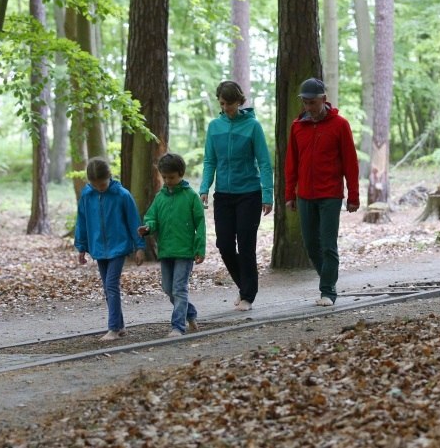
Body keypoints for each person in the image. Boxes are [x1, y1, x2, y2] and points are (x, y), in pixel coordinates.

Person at [284, 77, 360, 307]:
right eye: (305, 103)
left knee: (328, 244)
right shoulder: (297, 126)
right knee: (311, 244)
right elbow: (291, 162)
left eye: (312, 102)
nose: (309, 107)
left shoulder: (340, 125)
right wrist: (289, 193)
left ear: (323, 100)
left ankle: (327, 291)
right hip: (305, 194)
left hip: (330, 194)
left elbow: (350, 163)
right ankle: (328, 277)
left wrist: (353, 195)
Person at [199, 81, 274, 312]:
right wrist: (204, 188)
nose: (226, 108)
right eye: (222, 104)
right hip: (223, 195)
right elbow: (210, 160)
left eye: (230, 104)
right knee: (223, 243)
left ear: (239, 102)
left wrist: (267, 193)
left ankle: (248, 296)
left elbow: (264, 162)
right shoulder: (214, 127)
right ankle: (245, 287)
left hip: (249, 194)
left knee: (246, 244)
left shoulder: (253, 127)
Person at [75, 157, 146, 341]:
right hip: (98, 248)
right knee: (108, 288)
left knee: (111, 285)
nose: (100, 188)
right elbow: (82, 222)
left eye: (103, 184)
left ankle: (113, 328)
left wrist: (139, 246)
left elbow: (134, 222)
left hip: (119, 246)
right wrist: (81, 246)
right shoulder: (87, 196)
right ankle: (120, 326)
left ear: (110, 177)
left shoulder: (122, 195)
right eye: (96, 185)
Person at [138, 153, 207, 337]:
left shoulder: (191, 196)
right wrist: (148, 227)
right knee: (168, 289)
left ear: (181, 174)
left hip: (185, 251)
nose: (168, 181)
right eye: (165, 177)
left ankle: (177, 326)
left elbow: (200, 223)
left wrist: (199, 248)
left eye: (172, 177)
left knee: (179, 288)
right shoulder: (160, 197)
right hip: (166, 250)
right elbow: (151, 217)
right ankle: (190, 313)